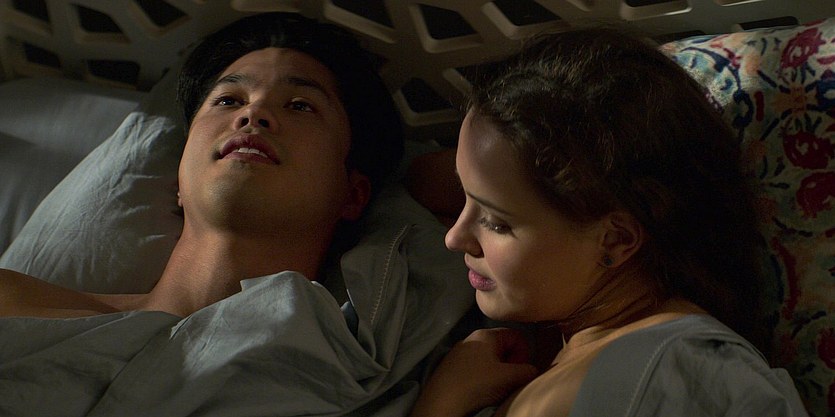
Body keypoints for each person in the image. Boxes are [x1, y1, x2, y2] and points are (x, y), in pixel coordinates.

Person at [408, 27, 809, 417]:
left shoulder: (683, 373)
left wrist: (439, 406)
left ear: (615, 240)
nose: (455, 238)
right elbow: (420, 177)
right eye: (464, 194)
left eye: (497, 223)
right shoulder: (590, 341)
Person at [0, 12, 403, 318]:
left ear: (353, 195)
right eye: (228, 100)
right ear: (178, 176)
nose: (254, 113)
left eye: (300, 106)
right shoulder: (16, 305)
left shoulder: (349, 362)